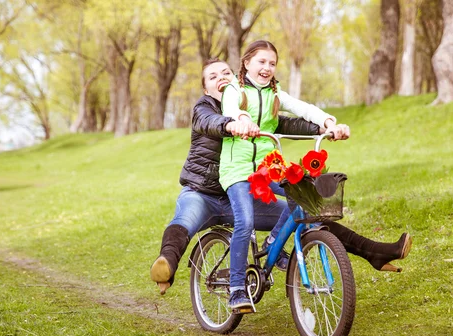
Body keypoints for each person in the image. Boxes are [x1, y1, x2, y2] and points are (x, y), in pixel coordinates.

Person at [150, 58, 412, 297]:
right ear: (206, 88)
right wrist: (233, 124)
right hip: (203, 194)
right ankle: (166, 265)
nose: (221, 78)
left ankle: (374, 251)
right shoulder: (203, 108)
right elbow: (210, 122)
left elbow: (286, 122)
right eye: (213, 76)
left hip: (245, 194)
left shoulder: (252, 105)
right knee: (184, 222)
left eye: (226, 73)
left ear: (235, 78)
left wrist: (324, 128)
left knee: (305, 213)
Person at [218, 40, 353, 311]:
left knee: (304, 196)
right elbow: (231, 109)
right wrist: (242, 121)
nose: (267, 68)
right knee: (244, 222)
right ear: (246, 63)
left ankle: (273, 243)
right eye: (261, 62)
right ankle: (236, 288)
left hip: (269, 166)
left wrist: (329, 123)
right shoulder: (233, 90)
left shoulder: (275, 93)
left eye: (272, 63)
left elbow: (303, 108)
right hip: (238, 169)